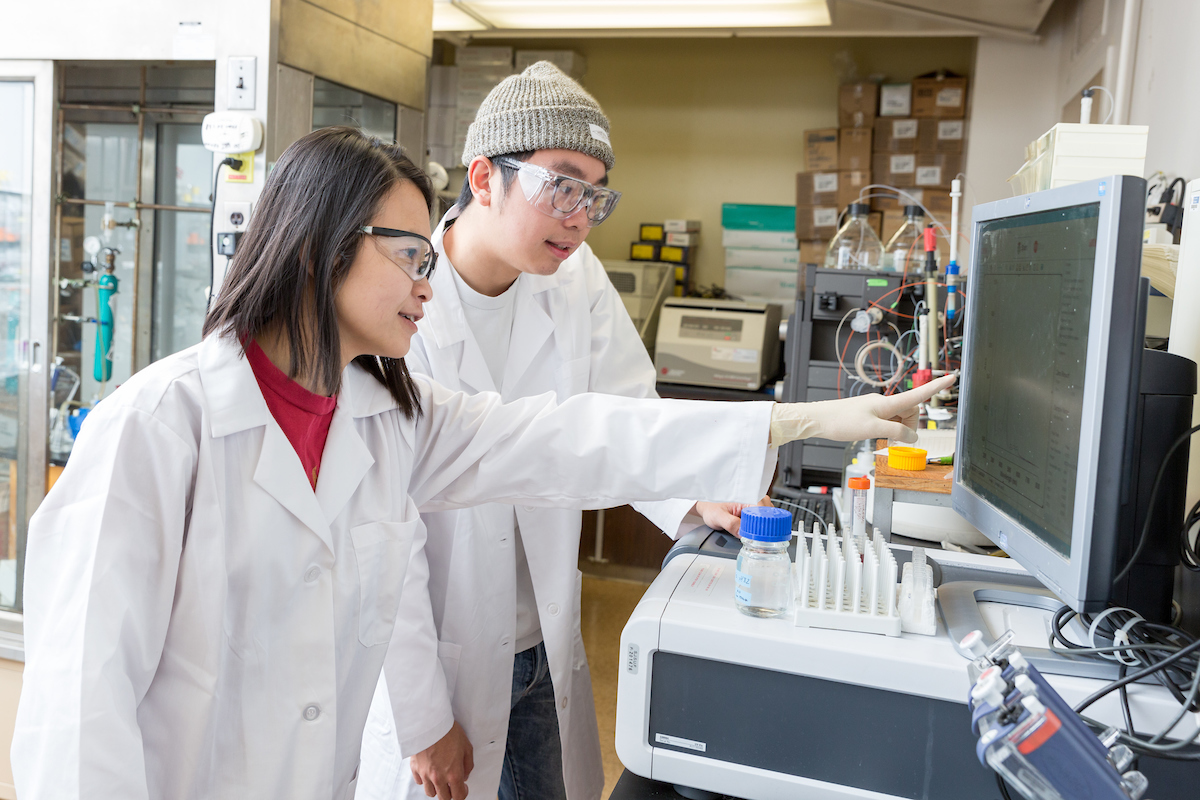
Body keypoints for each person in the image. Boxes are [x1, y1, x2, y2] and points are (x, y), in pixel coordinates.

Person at [11, 125, 951, 800]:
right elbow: (77, 712)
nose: (429, 283)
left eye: (431, 257)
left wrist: (800, 419)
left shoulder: (386, 419)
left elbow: (575, 434)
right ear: (320, 244)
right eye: (410, 255)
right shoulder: (161, 426)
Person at [355, 63, 952, 800]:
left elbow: (627, 410)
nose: (579, 216)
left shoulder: (572, 280)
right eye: (562, 185)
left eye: (596, 195)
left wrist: (688, 500)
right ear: (484, 178)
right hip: (440, 651)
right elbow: (383, 534)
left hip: (542, 632)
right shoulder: (404, 310)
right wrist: (419, 715)